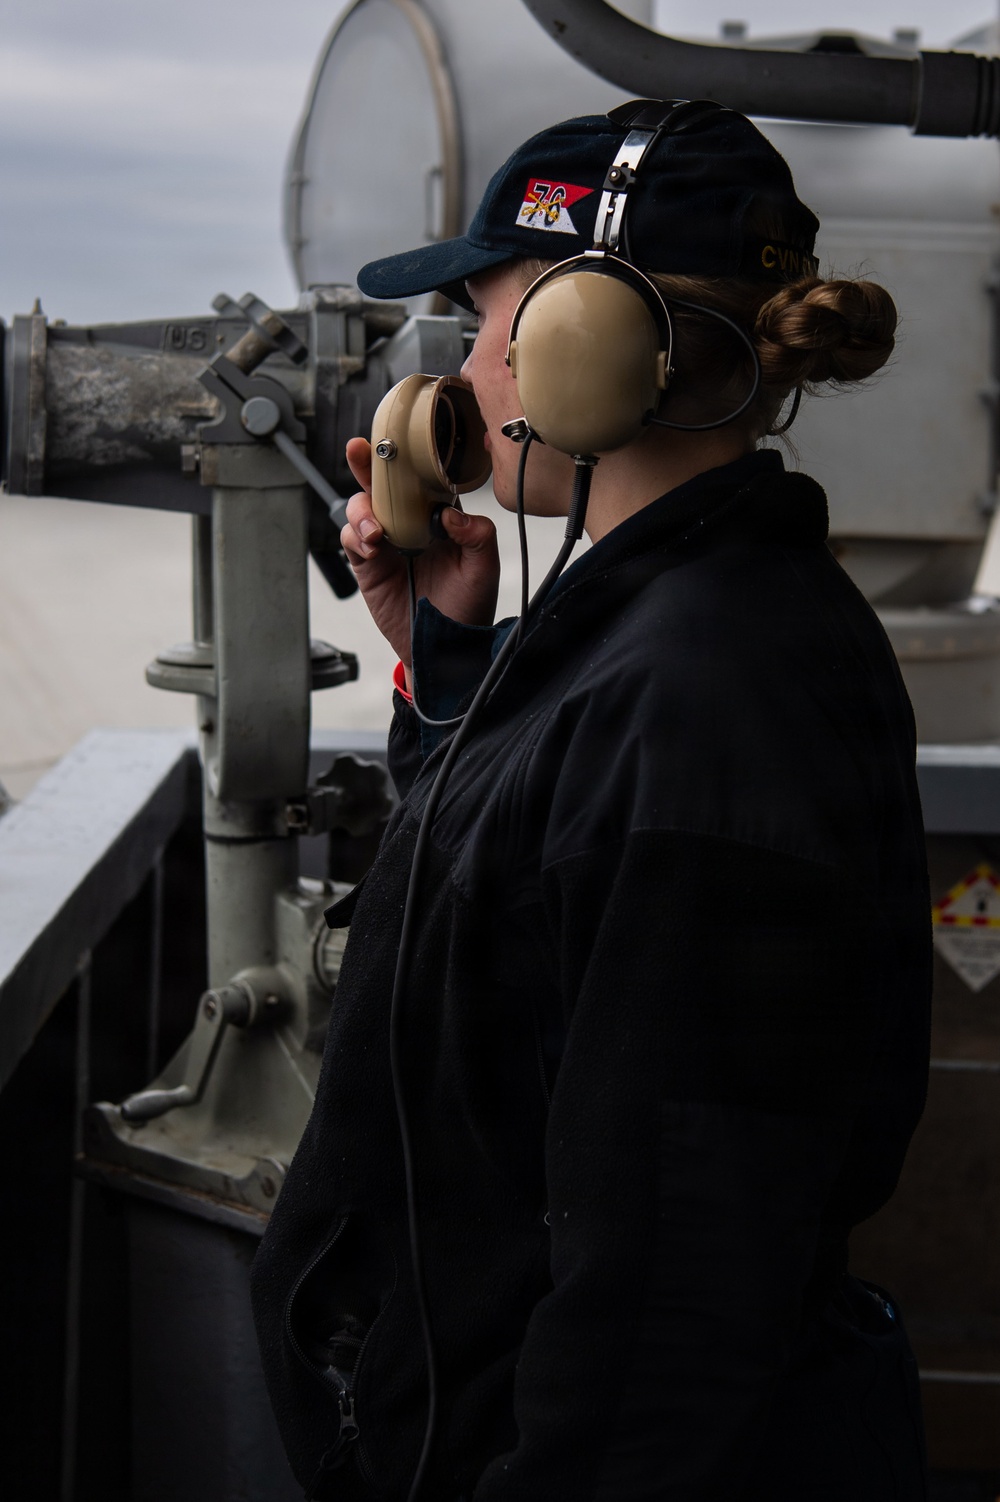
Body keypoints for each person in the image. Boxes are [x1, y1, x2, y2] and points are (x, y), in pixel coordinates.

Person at [252, 100, 931, 1501]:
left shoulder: (703, 700)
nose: (466, 362)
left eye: (484, 313)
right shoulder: (653, 628)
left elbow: (673, 1293)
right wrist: (447, 662)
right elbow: (533, 925)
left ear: (581, 340)